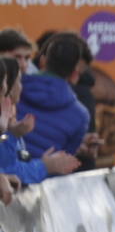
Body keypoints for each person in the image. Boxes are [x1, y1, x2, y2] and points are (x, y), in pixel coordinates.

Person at [0, 57, 75, 187]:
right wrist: (45, 166)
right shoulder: (7, 128)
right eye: (19, 80)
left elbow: (12, 166)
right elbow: (11, 171)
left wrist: (42, 163)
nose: (21, 87)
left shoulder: (10, 124)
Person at [18, 32, 90, 161]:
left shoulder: (12, 91)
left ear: (43, 60)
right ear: (74, 72)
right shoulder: (81, 116)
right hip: (46, 179)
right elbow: (65, 160)